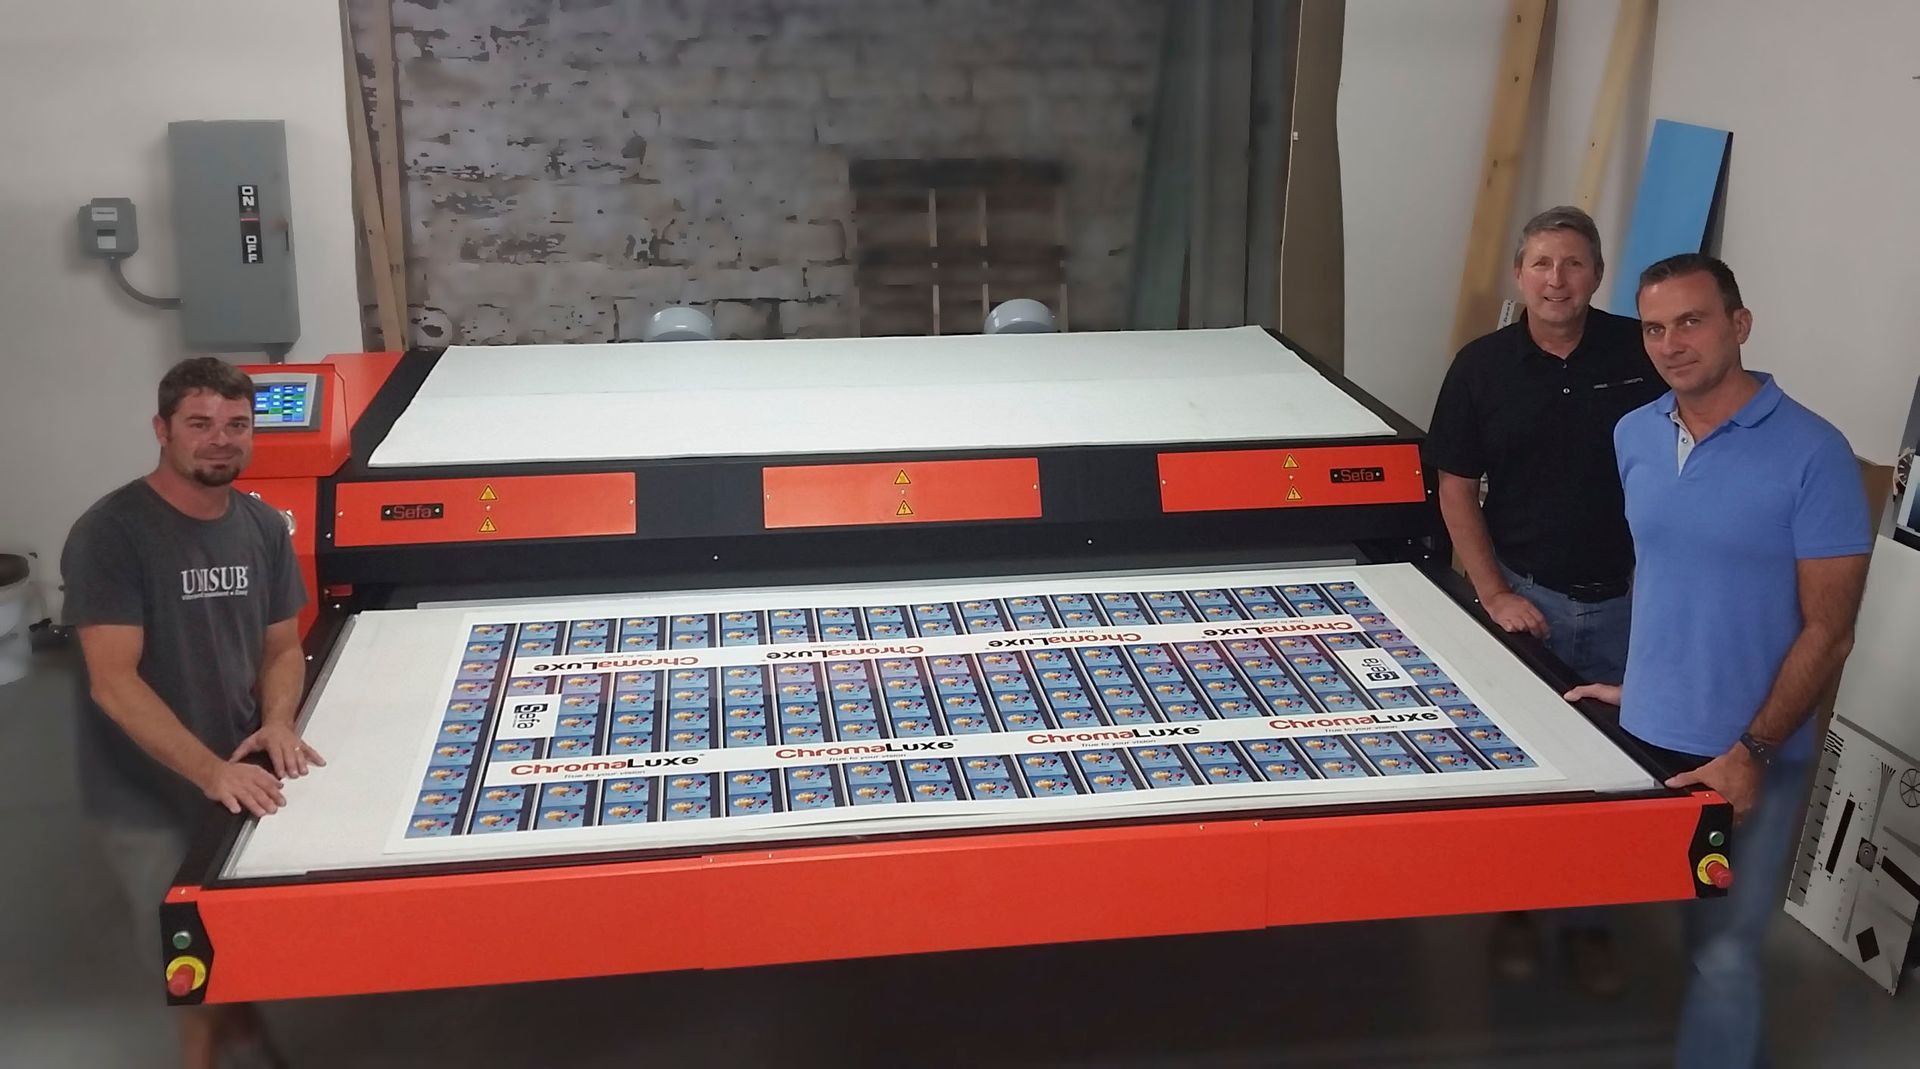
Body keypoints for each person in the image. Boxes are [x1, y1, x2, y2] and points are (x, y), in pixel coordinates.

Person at [1566, 253, 1871, 1067]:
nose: (1671, 343)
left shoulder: (1815, 453)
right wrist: (1645, 683)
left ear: (1739, 325)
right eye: (1654, 328)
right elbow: (1673, 573)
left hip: (1752, 751)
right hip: (1655, 730)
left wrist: (1752, 751)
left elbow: (1830, 631)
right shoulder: (1634, 434)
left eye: (1692, 321)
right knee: (1693, 930)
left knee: (1726, 951)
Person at [1426, 205, 1666, 992]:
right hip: (1526, 600)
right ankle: (1520, 911)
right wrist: (1493, 592)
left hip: (1631, 604)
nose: (1556, 279)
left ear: (1597, 275)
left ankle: (1592, 924)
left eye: (1573, 263)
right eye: (1541, 264)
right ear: (1519, 275)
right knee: (1528, 769)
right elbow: (1455, 488)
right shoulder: (1481, 367)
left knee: (1616, 770)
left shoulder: (1642, 351)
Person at [62, 357, 324, 1069]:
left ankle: (241, 1029)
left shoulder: (262, 527)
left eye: (237, 425)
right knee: (189, 960)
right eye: (200, 424)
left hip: (231, 765)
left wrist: (278, 722)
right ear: (162, 430)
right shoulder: (112, 533)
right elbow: (113, 683)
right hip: (143, 787)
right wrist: (210, 772)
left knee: (228, 929)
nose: (221, 440)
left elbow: (281, 648)